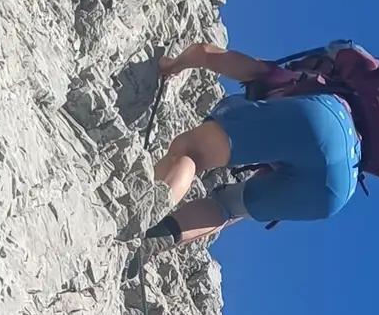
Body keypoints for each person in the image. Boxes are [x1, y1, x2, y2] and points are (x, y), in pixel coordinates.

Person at [145, 43, 360, 241]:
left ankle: (143, 214)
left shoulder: (291, 78)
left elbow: (205, 53)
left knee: (192, 151)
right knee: (227, 206)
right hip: (339, 191)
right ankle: (152, 241)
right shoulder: (356, 136)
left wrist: (172, 65)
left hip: (323, 118)